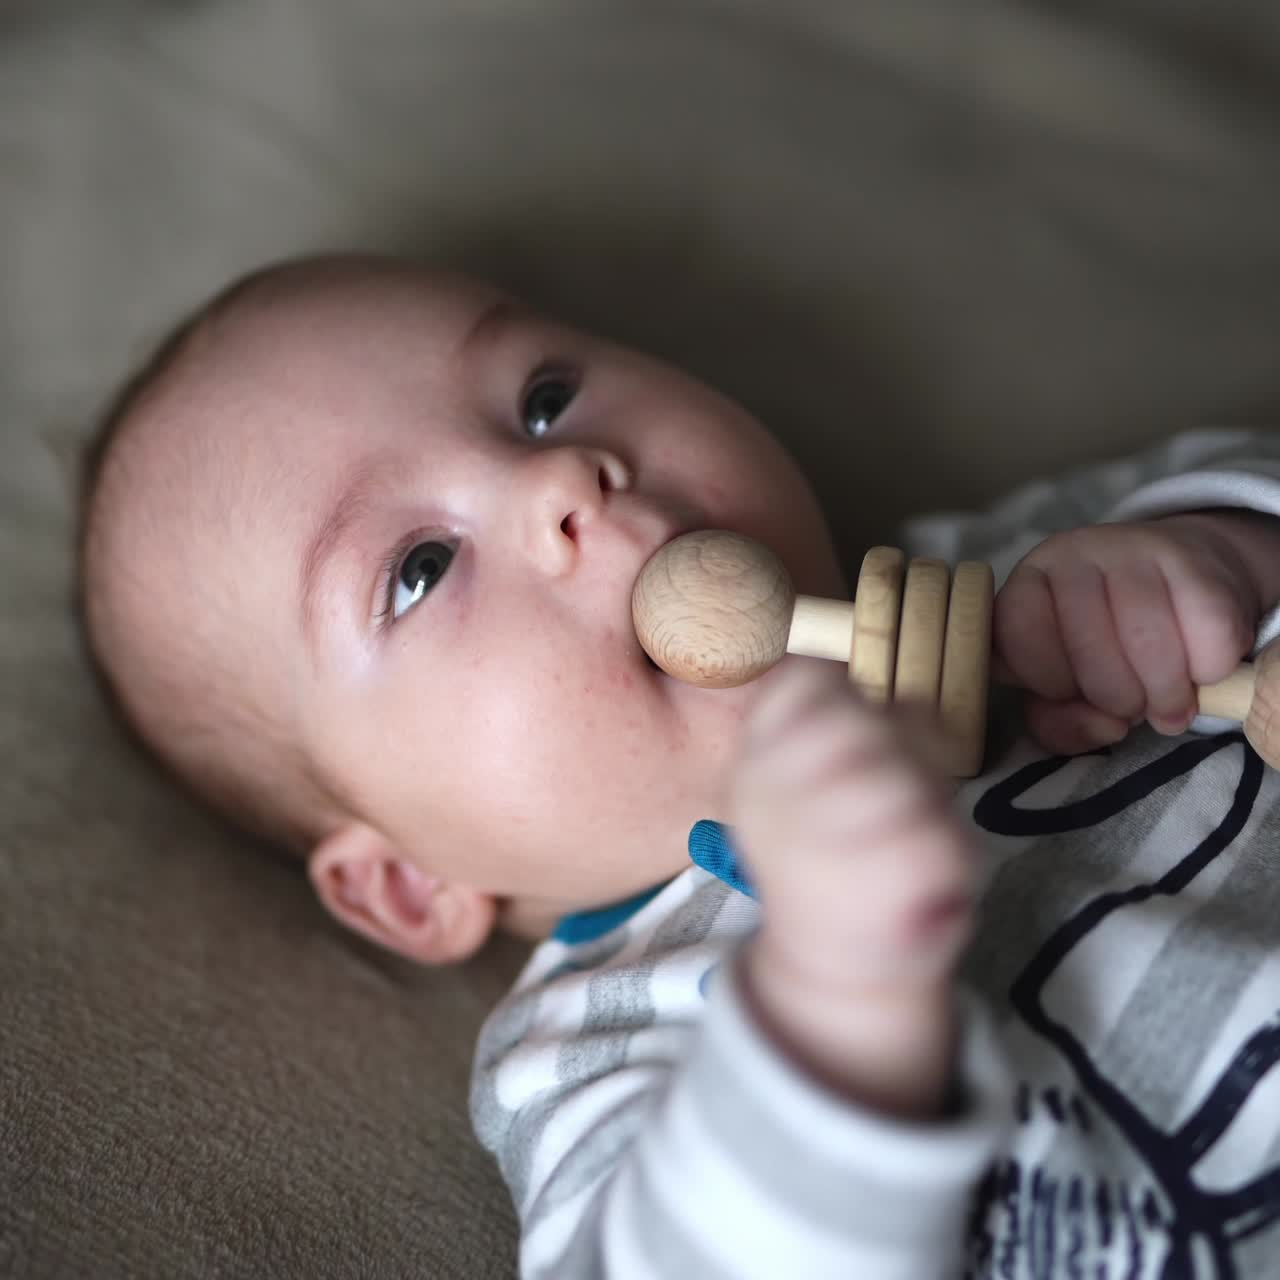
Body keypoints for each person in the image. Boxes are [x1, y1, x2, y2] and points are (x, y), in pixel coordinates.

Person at [78, 253, 1280, 1278]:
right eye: (417, 570)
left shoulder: (1001, 573)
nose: (560, 475)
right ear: (411, 883)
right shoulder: (603, 1040)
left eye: (542, 395)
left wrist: (1214, 552)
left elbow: (1245, 464)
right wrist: (827, 997)